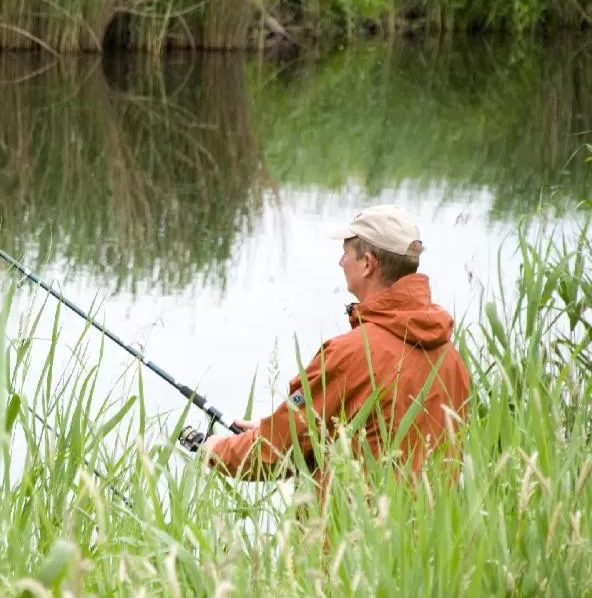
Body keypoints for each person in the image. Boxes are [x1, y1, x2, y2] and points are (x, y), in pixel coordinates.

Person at [195, 204, 471, 506]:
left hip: (355, 543)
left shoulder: (351, 354)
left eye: (346, 253)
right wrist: (265, 430)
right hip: (427, 542)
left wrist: (215, 449)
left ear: (367, 263)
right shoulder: (450, 357)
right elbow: (380, 439)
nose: (340, 262)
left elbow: (274, 452)